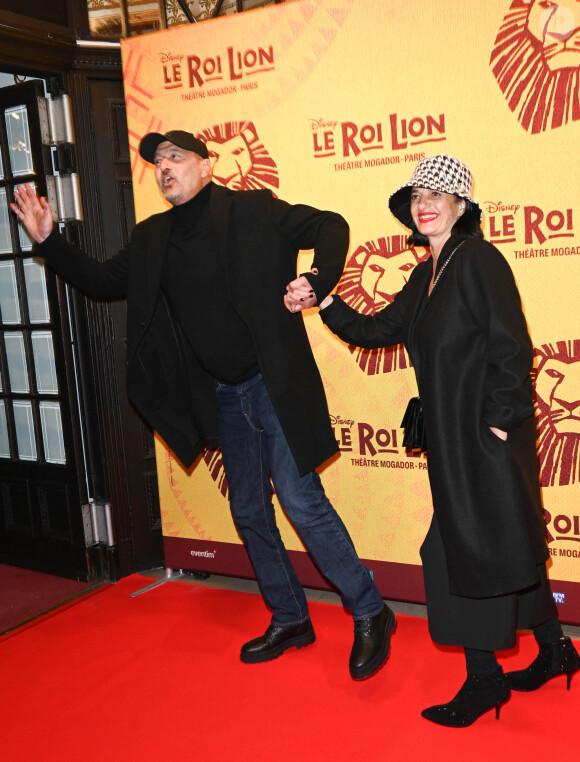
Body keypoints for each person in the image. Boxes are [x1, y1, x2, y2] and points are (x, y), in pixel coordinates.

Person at [11, 129, 395, 680]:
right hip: (222, 393)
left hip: (274, 383)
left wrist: (316, 278)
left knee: (300, 499)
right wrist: (49, 241)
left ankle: (370, 610)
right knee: (247, 510)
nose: (164, 168)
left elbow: (330, 226)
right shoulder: (152, 239)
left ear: (207, 166)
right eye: (157, 163)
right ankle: (290, 617)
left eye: (176, 157)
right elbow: (98, 281)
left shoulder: (254, 210)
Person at [285, 154, 580, 725]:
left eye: (438, 194)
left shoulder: (478, 260)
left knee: (454, 553)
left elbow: (513, 348)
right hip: (456, 438)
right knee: (504, 542)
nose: (425, 203)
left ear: (461, 205)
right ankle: (555, 649)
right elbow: (377, 332)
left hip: (485, 439)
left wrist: (496, 424)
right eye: (418, 194)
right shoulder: (428, 273)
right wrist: (324, 301)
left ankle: (484, 680)